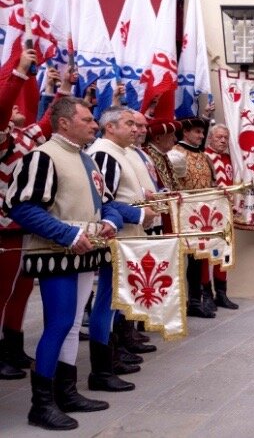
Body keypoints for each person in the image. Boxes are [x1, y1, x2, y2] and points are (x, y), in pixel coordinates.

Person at [5, 97, 144, 430]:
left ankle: (65, 393)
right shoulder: (42, 157)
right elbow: (21, 207)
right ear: (64, 122)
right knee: (59, 324)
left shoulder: (87, 160)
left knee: (67, 327)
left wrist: (110, 221)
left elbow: (107, 202)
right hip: (56, 255)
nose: (94, 125)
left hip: (85, 253)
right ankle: (41, 405)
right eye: (87, 120)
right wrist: (66, 234)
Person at [88, 107, 161, 364]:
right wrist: (139, 214)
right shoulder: (105, 154)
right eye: (129, 123)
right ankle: (104, 362)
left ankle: (115, 349)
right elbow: (104, 201)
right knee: (108, 298)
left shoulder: (120, 152)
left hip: (128, 235)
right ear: (111, 127)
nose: (135, 129)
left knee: (119, 296)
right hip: (116, 236)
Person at [0, 49, 51, 380]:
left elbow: (47, 124)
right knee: (2, 292)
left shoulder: (26, 135)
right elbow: (2, 109)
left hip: (25, 224)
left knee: (22, 289)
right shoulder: (3, 136)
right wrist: (17, 74)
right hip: (4, 227)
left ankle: (14, 347)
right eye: (13, 102)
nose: (18, 106)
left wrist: (57, 90)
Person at [168, 116, 218, 319]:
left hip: (201, 215)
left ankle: (195, 300)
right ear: (186, 133)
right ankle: (177, 302)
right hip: (181, 214)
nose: (201, 135)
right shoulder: (174, 154)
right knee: (178, 259)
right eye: (197, 132)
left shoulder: (205, 156)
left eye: (202, 132)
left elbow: (212, 183)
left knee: (197, 259)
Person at [204, 124, 239, 310]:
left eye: (225, 137)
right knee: (207, 253)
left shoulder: (228, 159)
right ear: (210, 138)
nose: (223, 141)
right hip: (208, 214)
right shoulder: (204, 158)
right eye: (219, 137)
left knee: (224, 253)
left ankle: (222, 294)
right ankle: (206, 294)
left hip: (226, 213)